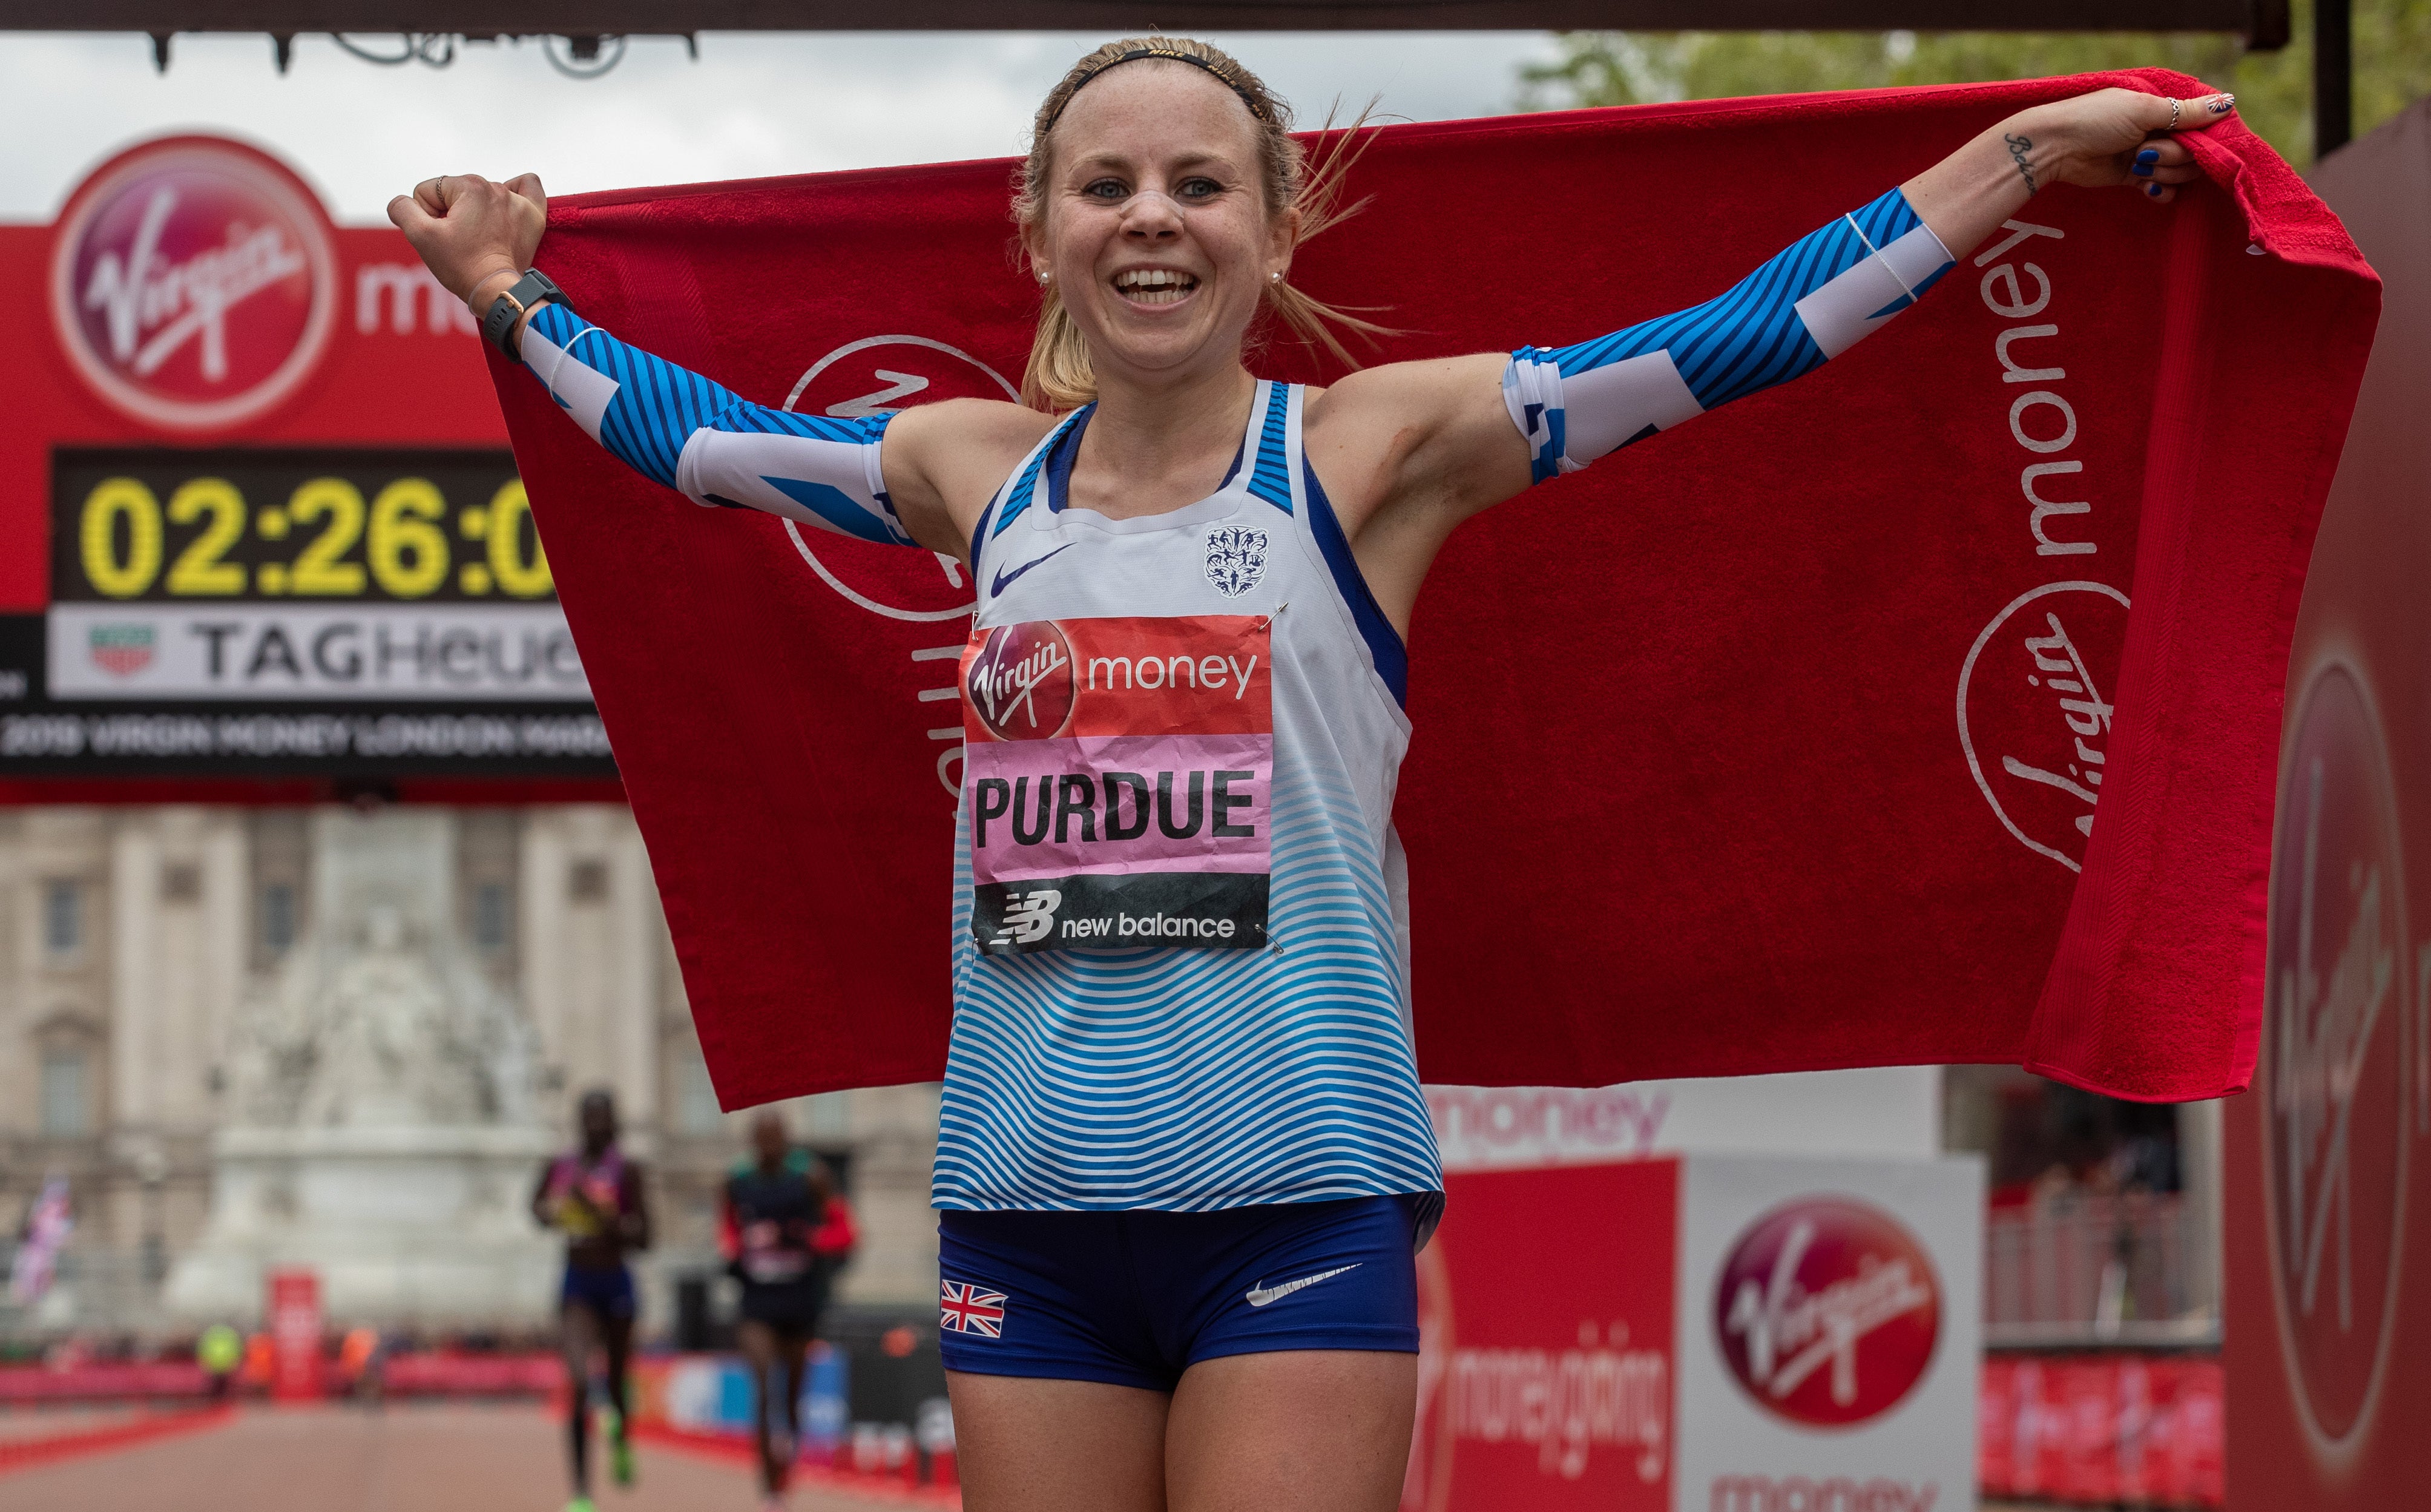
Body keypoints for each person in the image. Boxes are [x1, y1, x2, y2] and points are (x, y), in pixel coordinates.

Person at [395, 39, 2232, 1511]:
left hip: (1295, 1188)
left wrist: (2023, 155)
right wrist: (501, 294)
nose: (1153, 219)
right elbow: (692, 443)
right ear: (1039, 232)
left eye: (1201, 185)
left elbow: (1727, 344)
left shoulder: (1371, 448)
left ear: (1273, 229)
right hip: (1021, 1211)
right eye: (1106, 184)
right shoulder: (969, 470)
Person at [721, 1110, 858, 1509]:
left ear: (786, 1140)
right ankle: (770, 1491)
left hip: (800, 1302)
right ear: (752, 1141)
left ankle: (787, 1458)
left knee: (793, 1397)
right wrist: (734, 1249)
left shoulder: (811, 1178)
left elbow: (845, 1232)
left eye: (776, 1138)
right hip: (756, 1302)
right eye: (762, 1139)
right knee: (764, 1389)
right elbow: (727, 1230)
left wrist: (807, 1239)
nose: (769, 1146)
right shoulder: (736, 1181)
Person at [533, 1088, 652, 1512]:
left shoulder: (628, 1169)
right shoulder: (560, 1166)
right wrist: (555, 1213)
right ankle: (581, 1492)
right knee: (580, 1383)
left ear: (614, 1123)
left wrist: (608, 1219)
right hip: (577, 1283)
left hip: (616, 1281)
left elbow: (645, 1238)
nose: (597, 1127)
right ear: (580, 1121)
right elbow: (535, 1210)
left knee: (618, 1383)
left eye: (604, 1119)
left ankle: (621, 1440)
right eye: (590, 1118)